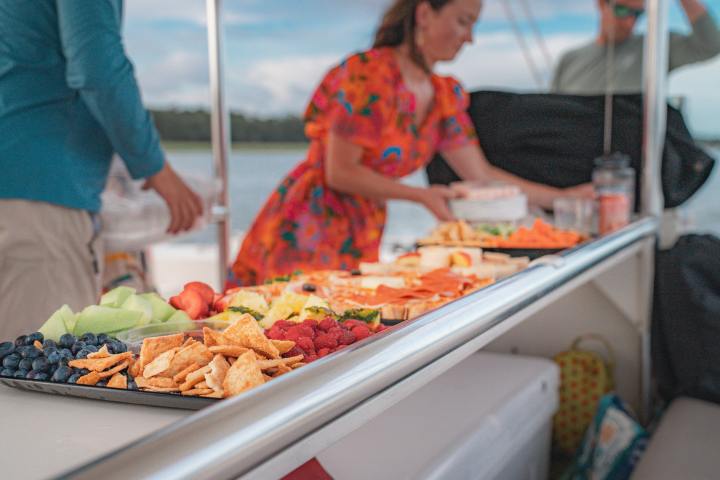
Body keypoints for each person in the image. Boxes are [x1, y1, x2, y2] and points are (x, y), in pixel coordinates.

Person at [228, 0, 593, 288]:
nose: (471, 38)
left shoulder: (442, 95)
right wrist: (421, 196)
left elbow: (481, 174)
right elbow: (339, 173)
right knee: (290, 330)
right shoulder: (366, 75)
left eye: (475, 25)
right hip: (308, 221)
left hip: (366, 226)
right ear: (424, 14)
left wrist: (563, 199)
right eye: (464, 21)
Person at [0, 0, 204, 341]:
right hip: (42, 193)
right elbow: (97, 65)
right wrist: (156, 168)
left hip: (22, 187)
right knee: (48, 372)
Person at [552, 0, 720, 94]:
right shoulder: (568, 59)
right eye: (622, 10)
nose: (629, 22)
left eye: (637, 14)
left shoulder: (655, 49)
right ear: (602, 5)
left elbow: (712, 44)